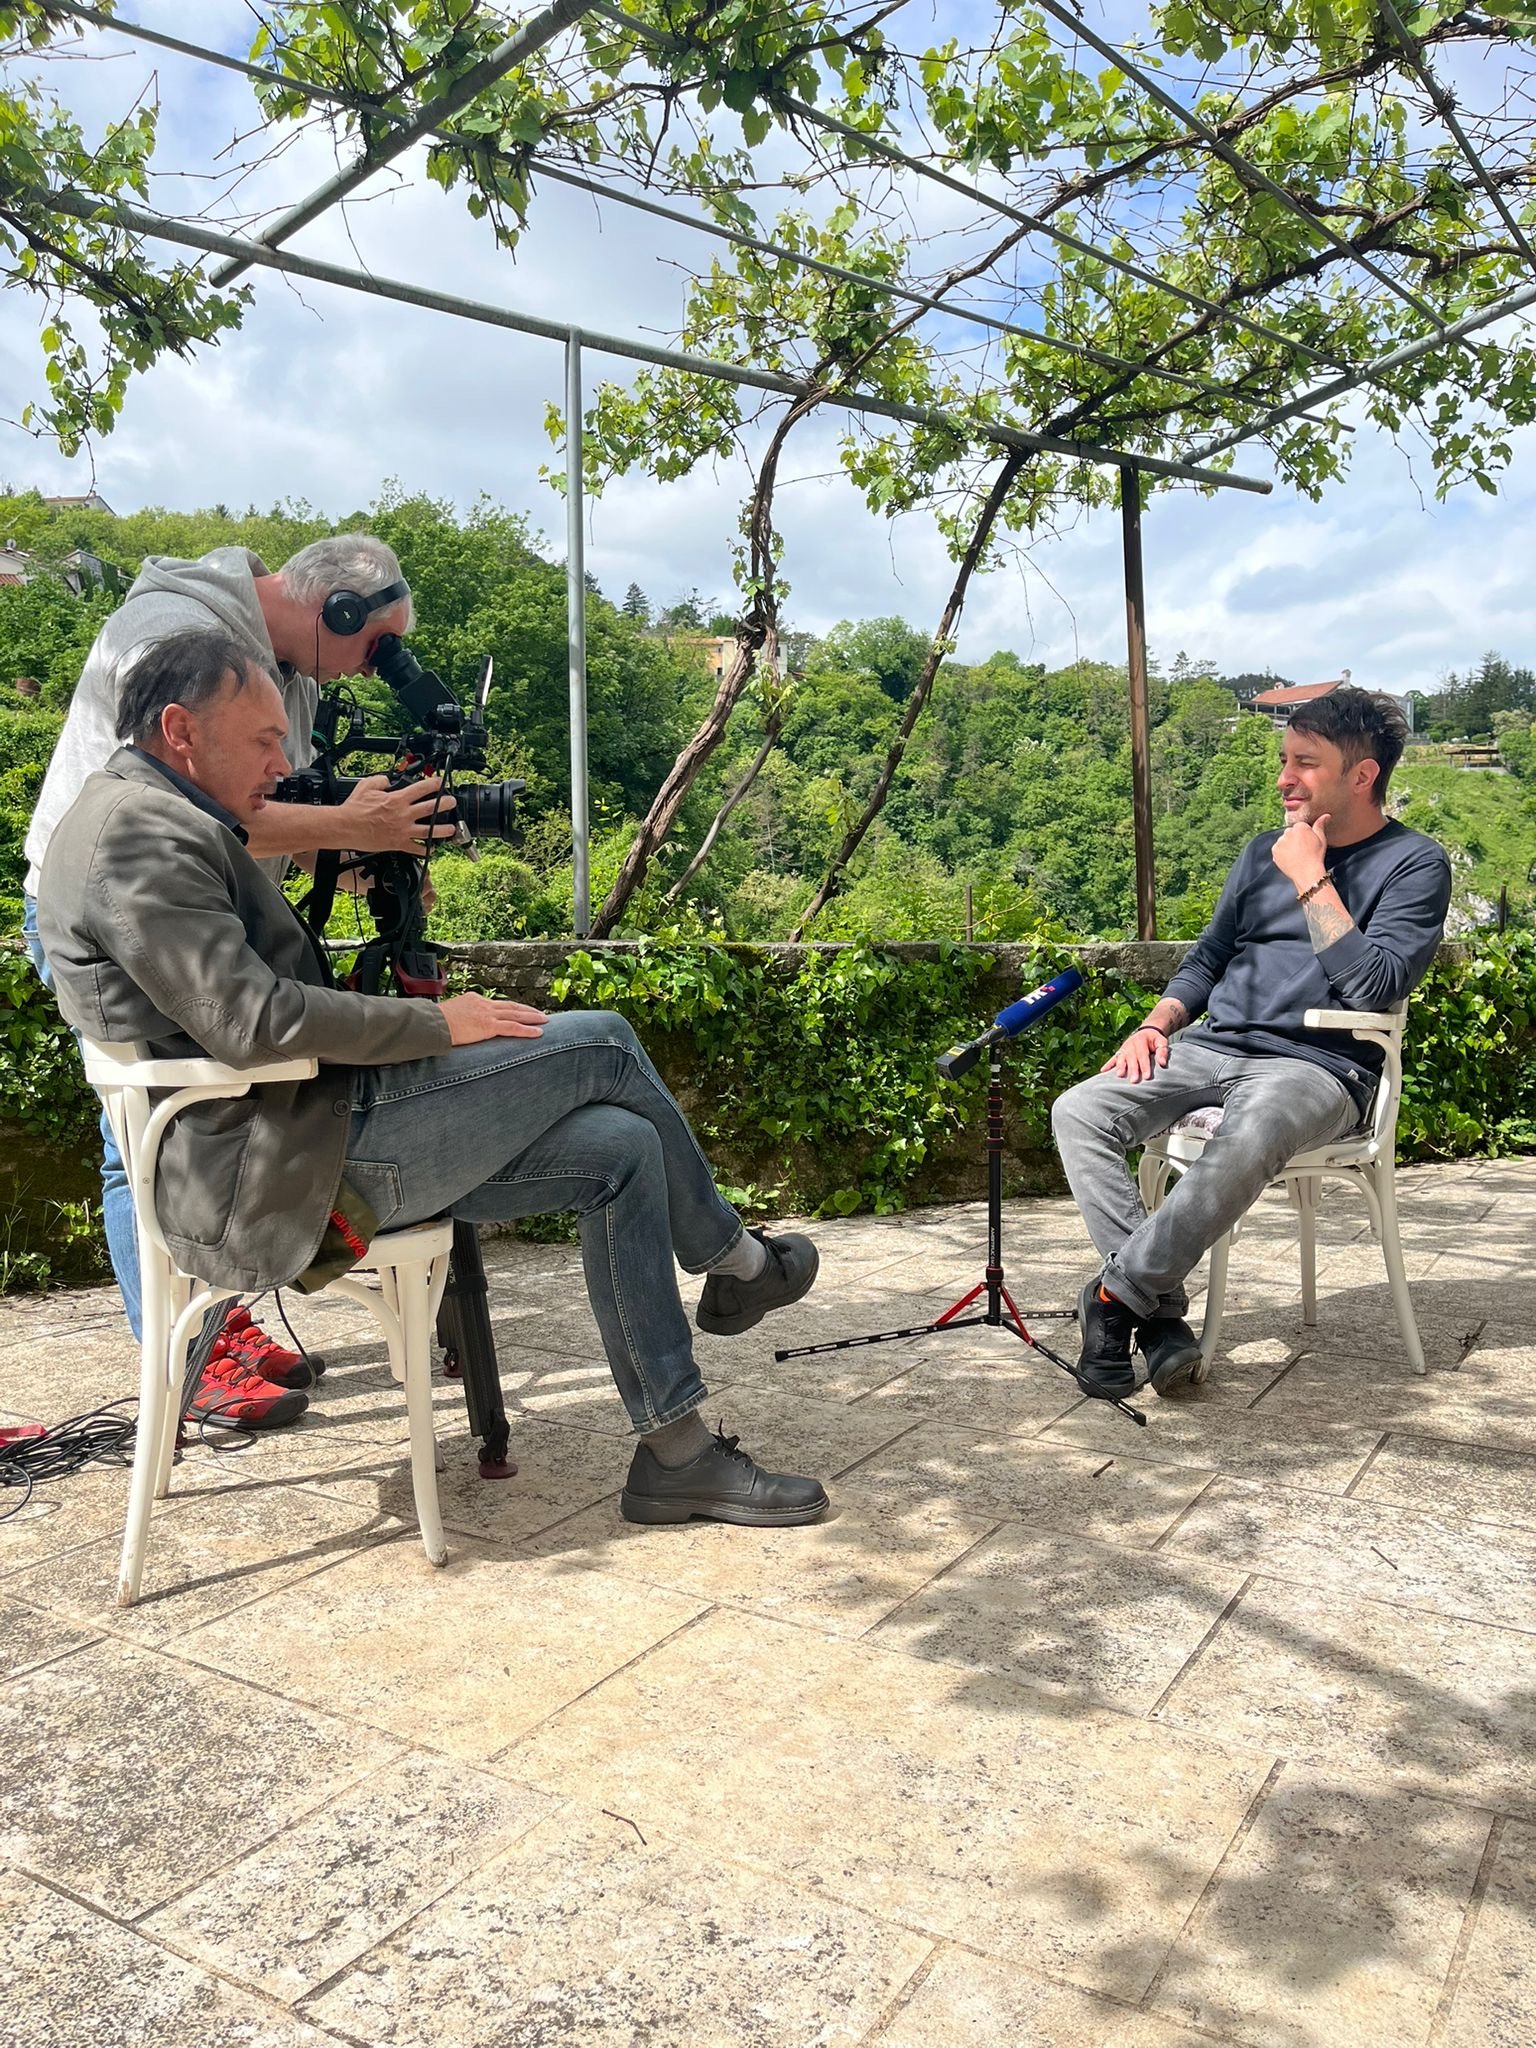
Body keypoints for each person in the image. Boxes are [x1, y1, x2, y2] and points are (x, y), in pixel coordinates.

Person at [38, 630, 829, 1525]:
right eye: (262, 738)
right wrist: (437, 1024)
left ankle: (677, 1456)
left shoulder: (154, 815)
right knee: (603, 1040)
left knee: (624, 1147)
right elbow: (253, 1021)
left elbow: (250, 998)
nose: (283, 758)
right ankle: (737, 1261)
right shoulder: (136, 833)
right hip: (277, 1175)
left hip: (303, 1133)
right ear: (180, 730)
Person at [21, 535, 457, 1426]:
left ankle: (217, 1316)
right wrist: (349, 823)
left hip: (187, 905)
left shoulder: (282, 670)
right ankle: (182, 1355)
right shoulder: (168, 634)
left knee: (224, 1109)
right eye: (373, 646)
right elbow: (175, 819)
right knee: (143, 1133)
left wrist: (357, 849)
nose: (371, 673)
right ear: (333, 608)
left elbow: (257, 822)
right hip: (111, 908)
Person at [1051, 686, 1451, 1401]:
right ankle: (1159, 1315)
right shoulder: (1258, 852)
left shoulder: (1415, 865)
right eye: (1283, 760)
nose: (1283, 779)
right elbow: (1207, 959)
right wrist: (1156, 1023)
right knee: (1079, 1110)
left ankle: (1113, 1301)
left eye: (1304, 762)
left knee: (1255, 1127)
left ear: (1361, 775)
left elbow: (1375, 984)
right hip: (1212, 1045)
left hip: (1320, 1067)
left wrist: (1309, 877)